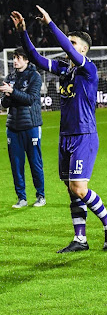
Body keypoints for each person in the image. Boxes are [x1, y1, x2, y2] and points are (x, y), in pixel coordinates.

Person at [11, 7, 107, 252]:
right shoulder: (64, 69)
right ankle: (80, 239)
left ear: (82, 49)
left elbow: (68, 49)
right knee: (71, 190)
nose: (68, 46)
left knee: (79, 188)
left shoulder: (87, 68)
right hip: (65, 136)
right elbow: (36, 58)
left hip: (84, 136)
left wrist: (50, 23)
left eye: (73, 42)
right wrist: (23, 33)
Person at [1, 47, 45, 208]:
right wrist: (7, 96)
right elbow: (4, 103)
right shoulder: (10, 77)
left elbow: (30, 99)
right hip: (12, 126)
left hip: (31, 126)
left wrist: (12, 92)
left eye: (18, 57)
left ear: (26, 60)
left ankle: (41, 195)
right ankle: (22, 198)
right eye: (14, 57)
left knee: (35, 162)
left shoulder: (35, 76)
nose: (15, 60)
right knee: (16, 164)